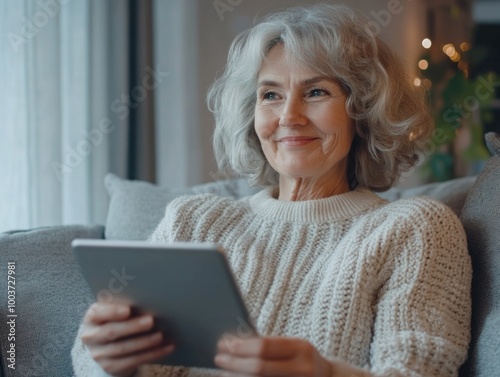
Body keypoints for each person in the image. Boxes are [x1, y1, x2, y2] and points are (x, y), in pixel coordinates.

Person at [72, 3, 471, 377]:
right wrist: (107, 358)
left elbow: (419, 369)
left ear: (364, 110)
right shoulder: (192, 221)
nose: (289, 117)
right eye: (270, 95)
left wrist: (327, 373)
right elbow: (99, 360)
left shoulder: (415, 229)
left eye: (316, 92)